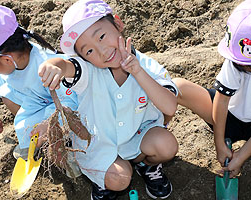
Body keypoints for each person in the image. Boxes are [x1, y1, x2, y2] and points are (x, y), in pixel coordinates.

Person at [35, 0, 179, 199]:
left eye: (101, 36)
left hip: (137, 135)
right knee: (119, 180)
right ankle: (102, 183)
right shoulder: (88, 72)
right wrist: (53, 65)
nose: (101, 51)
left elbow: (170, 106)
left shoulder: (147, 65)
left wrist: (138, 72)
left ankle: (146, 166)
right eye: (89, 51)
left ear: (118, 24)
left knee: (167, 145)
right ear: (83, 57)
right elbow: (67, 65)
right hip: (99, 143)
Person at [0, 5, 78, 160]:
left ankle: (62, 144)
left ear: (7, 59)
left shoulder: (47, 67)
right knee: (5, 93)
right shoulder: (15, 59)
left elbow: (72, 101)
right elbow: (2, 77)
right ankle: (37, 138)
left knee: (51, 130)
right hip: (36, 101)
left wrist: (50, 123)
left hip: (61, 108)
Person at [173, 0, 251, 179]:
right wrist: (220, 143)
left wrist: (240, 157)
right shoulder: (235, 61)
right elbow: (222, 100)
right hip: (229, 117)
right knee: (178, 87)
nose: (244, 68)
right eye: (242, 64)